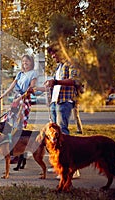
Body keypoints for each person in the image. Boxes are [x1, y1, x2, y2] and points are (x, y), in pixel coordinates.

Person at [44, 44, 81, 178]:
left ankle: (72, 168)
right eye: (52, 54)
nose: (53, 56)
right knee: (55, 135)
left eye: (55, 53)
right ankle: (60, 165)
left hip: (64, 102)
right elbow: (55, 84)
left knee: (63, 134)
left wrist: (56, 81)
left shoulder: (71, 63)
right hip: (55, 102)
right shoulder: (59, 67)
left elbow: (75, 80)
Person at [0, 54, 37, 171]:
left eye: (27, 61)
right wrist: (1, 97)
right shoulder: (19, 74)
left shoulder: (33, 74)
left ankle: (19, 153)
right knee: (9, 125)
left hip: (24, 100)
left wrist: (19, 99)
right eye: (23, 61)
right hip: (16, 99)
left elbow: (30, 90)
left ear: (31, 62)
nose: (25, 63)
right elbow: (11, 87)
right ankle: (12, 151)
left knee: (19, 127)